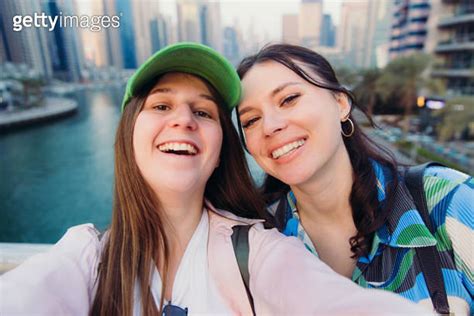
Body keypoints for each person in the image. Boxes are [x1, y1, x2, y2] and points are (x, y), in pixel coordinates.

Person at [0, 43, 428, 316]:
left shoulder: (259, 251)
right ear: (129, 132)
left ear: (222, 145)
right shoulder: (87, 258)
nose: (183, 120)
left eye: (203, 112)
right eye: (161, 106)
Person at [236, 43, 473, 315]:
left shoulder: (446, 202)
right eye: (251, 120)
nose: (270, 125)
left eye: (289, 99)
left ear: (340, 103)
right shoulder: (258, 242)